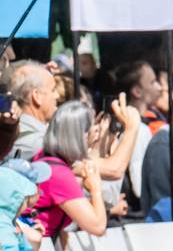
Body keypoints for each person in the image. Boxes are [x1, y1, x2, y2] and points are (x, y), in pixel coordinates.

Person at [26, 101, 117, 240]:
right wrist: (95, 189)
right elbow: (98, 227)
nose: (97, 134)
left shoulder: (45, 157)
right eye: (94, 129)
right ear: (81, 135)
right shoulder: (59, 175)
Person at [6, 60, 57, 160]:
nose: (57, 95)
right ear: (37, 96)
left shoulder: (9, 133)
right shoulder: (39, 145)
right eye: (53, 90)